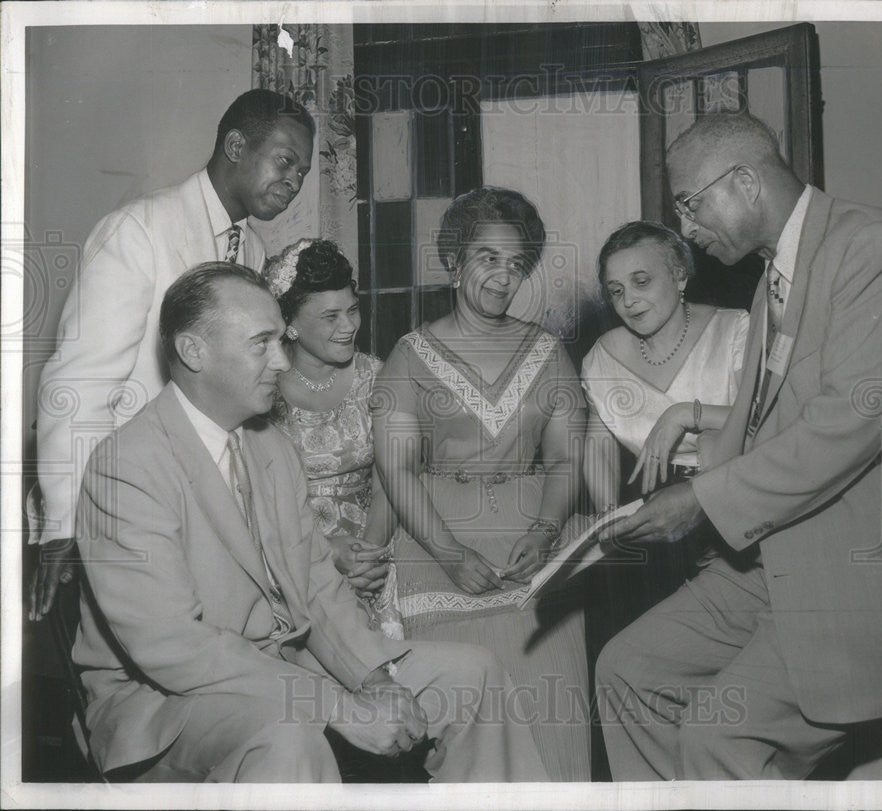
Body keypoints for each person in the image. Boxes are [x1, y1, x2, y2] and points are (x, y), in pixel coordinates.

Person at [72, 261, 549, 783]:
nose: (281, 361)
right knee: (289, 731)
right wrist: (338, 707)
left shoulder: (267, 444)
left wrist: (375, 677)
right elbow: (174, 648)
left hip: (287, 665)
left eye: (281, 340)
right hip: (166, 702)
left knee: (474, 677)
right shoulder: (127, 468)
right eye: (262, 343)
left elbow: (316, 585)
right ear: (193, 352)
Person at [595, 112, 882, 780]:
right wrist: (660, 496)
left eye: (690, 204)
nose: (686, 229)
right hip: (782, 558)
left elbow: (846, 426)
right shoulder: (775, 277)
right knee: (627, 670)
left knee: (718, 735)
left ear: (745, 182)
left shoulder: (875, 250)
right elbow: (763, 419)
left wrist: (702, 498)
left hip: (861, 573)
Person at [30, 89, 316, 620]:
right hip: (124, 498)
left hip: (204, 504)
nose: (294, 182)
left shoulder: (250, 251)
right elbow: (80, 385)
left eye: (302, 171)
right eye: (285, 161)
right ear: (235, 145)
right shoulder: (140, 230)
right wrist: (65, 522)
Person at [372, 187, 591, 781]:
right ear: (452, 260)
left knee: (552, 717)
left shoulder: (549, 353)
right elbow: (393, 468)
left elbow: (569, 457)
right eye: (488, 258)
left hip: (534, 553)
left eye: (516, 263)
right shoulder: (409, 355)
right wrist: (448, 552)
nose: (503, 276)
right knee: (469, 735)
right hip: (437, 549)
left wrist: (548, 531)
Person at [581, 221, 748, 635]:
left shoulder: (735, 329)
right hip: (654, 524)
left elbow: (766, 418)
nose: (629, 301)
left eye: (641, 281)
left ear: (679, 275)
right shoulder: (602, 357)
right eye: (616, 290)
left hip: (734, 506)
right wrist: (606, 516)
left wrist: (682, 414)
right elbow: (599, 445)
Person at [265, 238, 403, 640]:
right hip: (292, 547)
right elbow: (257, 496)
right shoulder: (263, 389)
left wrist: (368, 555)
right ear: (290, 323)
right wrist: (323, 550)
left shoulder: (377, 377)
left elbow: (392, 479)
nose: (348, 326)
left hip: (376, 543)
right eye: (330, 316)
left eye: (353, 310)